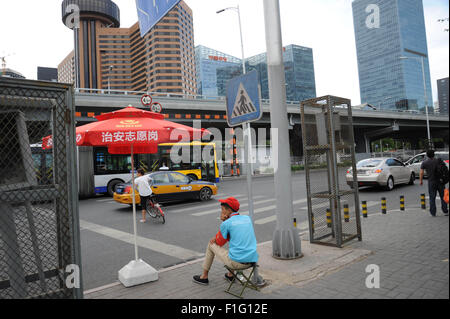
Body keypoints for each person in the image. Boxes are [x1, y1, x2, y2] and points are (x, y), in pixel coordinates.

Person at [193, 197, 259, 285]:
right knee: (235, 247)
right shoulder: (247, 218)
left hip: (237, 263)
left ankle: (204, 276)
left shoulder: (226, 223)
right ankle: (230, 275)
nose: (221, 212)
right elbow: (232, 237)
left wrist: (223, 222)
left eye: (222, 209)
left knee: (211, 244)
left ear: (228, 211)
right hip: (252, 260)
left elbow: (219, 243)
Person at [420, 150, 449, 217]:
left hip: (431, 182)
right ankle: (445, 211)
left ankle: (433, 213)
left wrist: (421, 181)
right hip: (440, 181)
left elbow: (421, 172)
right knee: (443, 196)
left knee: (432, 197)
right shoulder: (438, 161)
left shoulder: (425, 163)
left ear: (427, 155)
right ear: (434, 154)